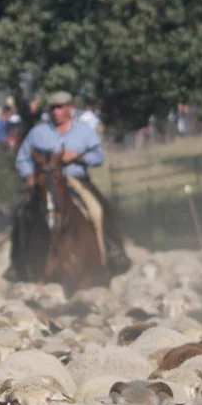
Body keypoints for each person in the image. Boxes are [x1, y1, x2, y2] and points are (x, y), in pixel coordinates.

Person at [14, 90, 128, 276]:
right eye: (52, 108)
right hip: (46, 181)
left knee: (98, 210)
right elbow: (22, 158)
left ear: (69, 109)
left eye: (59, 107)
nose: (55, 112)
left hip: (75, 180)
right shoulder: (38, 133)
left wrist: (79, 156)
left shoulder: (83, 132)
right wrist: (29, 176)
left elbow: (99, 156)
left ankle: (113, 252)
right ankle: (18, 261)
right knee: (21, 213)